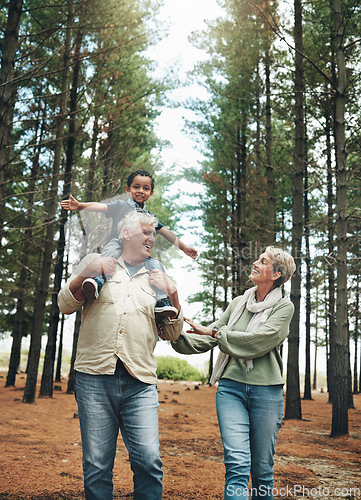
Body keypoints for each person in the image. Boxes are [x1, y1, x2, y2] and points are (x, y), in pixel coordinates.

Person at [58, 211, 183, 500]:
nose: (152, 238)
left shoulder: (159, 278)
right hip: (94, 380)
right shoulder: (96, 264)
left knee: (149, 461)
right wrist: (89, 271)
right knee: (97, 465)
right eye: (146, 232)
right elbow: (64, 304)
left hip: (140, 383)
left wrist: (173, 294)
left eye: (154, 234)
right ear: (127, 234)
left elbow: (174, 334)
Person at [172, 246, 296, 500]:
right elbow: (210, 338)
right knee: (237, 464)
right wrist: (175, 336)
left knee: (262, 470)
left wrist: (216, 333)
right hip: (230, 390)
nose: (255, 262)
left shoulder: (284, 307)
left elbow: (258, 341)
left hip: (267, 392)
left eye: (263, 261)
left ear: (276, 274)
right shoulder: (238, 303)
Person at [61, 169, 198, 318]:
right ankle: (98, 281)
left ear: (151, 193)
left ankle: (162, 301)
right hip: (118, 243)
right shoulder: (121, 206)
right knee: (110, 253)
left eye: (146, 188)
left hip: (138, 251)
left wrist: (184, 247)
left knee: (157, 266)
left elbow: (167, 233)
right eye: (136, 187)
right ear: (128, 189)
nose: (140, 191)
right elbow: (100, 207)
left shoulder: (150, 216)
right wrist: (80, 205)